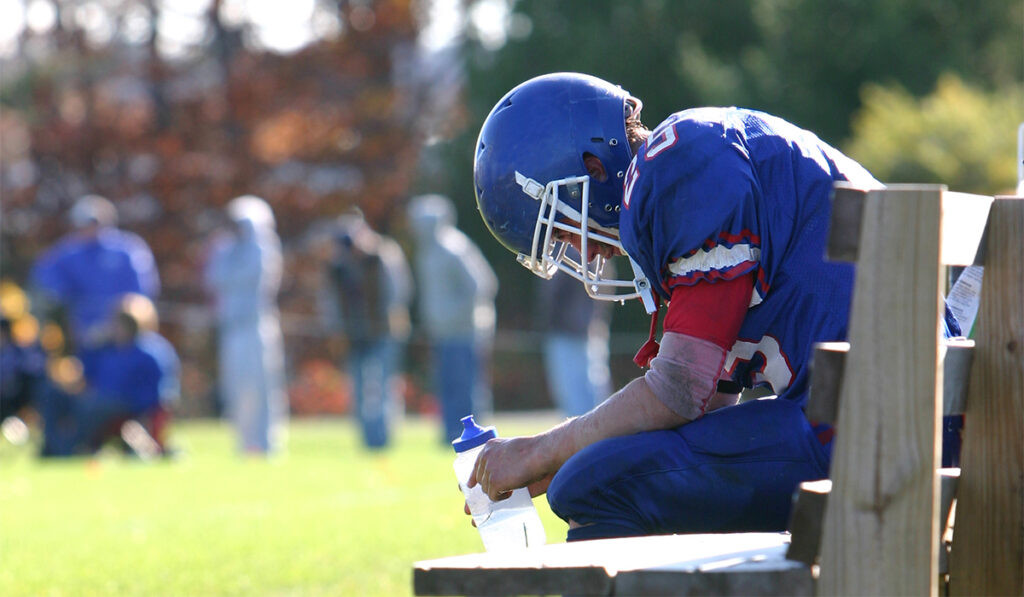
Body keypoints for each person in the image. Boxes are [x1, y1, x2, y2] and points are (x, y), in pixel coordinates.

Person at [468, 72, 962, 541]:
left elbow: (680, 390)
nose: (583, 252)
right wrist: (550, 460)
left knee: (591, 483)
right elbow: (703, 406)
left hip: (880, 436)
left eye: (560, 225)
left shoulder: (679, 168)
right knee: (595, 470)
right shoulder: (697, 152)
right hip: (903, 418)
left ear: (592, 167)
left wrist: (541, 450)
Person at [37, 293, 180, 457]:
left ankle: (69, 450)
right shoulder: (105, 348)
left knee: (93, 406)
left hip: (128, 405)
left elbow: (159, 394)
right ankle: (50, 447)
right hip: (95, 398)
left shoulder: (151, 352)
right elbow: (84, 372)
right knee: (51, 393)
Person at [407, 194, 498, 444]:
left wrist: (453, 316)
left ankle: (474, 439)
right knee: (445, 386)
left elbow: (482, 285)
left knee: (465, 388)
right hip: (441, 333)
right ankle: (450, 436)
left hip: (464, 331)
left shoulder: (454, 248)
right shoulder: (426, 252)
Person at [319, 210, 413, 449]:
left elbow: (400, 291)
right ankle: (366, 441)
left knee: (382, 386)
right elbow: (329, 301)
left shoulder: (383, 254)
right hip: (354, 335)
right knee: (359, 389)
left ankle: (382, 439)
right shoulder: (338, 266)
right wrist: (335, 329)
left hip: (384, 331)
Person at [204, 195, 288, 455]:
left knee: (263, 387)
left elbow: (252, 276)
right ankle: (244, 443)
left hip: (257, 326)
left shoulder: (263, 247)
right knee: (236, 388)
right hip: (232, 328)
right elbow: (213, 279)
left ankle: (267, 443)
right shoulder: (225, 249)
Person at [29, 194, 160, 359]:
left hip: (125, 334)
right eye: (84, 223)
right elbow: (44, 276)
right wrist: (64, 296)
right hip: (84, 332)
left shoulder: (127, 249)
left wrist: (119, 322)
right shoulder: (70, 250)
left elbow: (144, 290)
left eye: (94, 222)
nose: (90, 228)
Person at [536, 251, 612, 417]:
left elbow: (552, 295)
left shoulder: (566, 252)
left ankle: (587, 440)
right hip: (587, 330)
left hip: (569, 332)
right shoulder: (592, 252)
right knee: (592, 392)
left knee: (577, 398)